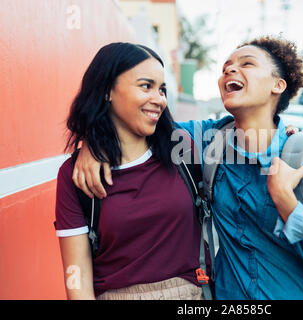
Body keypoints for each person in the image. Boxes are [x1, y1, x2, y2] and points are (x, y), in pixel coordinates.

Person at [73, 36, 303, 300]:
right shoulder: (210, 142)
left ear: (277, 85)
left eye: (247, 63)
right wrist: (91, 143)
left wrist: (287, 204)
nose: (230, 69)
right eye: (226, 67)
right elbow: (136, 126)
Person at [55, 42, 208, 300]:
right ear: (106, 91)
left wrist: (288, 138)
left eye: (162, 90)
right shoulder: (74, 175)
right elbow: (76, 276)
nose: (159, 99)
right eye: (146, 86)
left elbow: (243, 137)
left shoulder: (182, 149)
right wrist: (91, 142)